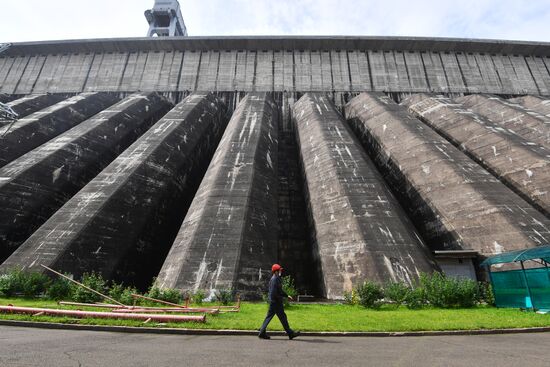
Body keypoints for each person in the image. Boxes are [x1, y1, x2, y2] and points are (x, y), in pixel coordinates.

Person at [258, 264, 300, 340]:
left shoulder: (276, 278)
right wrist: (281, 299)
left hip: (274, 302)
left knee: (270, 317)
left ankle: (262, 332)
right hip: (276, 303)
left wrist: (287, 296)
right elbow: (274, 293)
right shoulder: (274, 279)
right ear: (276, 271)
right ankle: (290, 333)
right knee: (283, 317)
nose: (281, 271)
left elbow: (280, 291)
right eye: (280, 270)